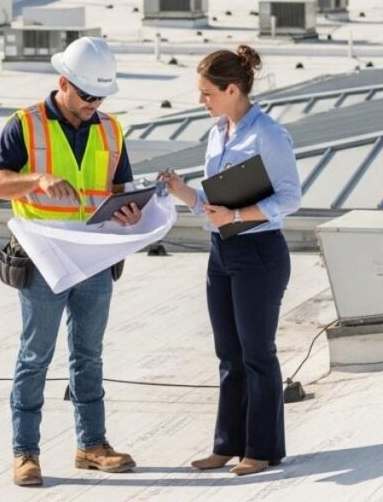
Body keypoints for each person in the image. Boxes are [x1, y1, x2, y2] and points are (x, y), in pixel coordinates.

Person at [0, 36, 142, 487]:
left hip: (94, 258)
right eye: (88, 95)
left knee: (89, 355)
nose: (94, 104)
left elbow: (119, 190)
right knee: (36, 355)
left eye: (101, 97)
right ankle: (25, 453)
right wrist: (36, 179)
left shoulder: (111, 129)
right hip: (44, 259)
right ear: (64, 83)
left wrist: (131, 211)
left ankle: (92, 445)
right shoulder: (25, 125)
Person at [158, 46, 301, 476]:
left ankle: (261, 450)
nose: (201, 101)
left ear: (233, 89)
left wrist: (237, 216)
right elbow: (216, 201)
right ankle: (226, 445)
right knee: (228, 354)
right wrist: (183, 192)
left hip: (259, 252)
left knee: (257, 354)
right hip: (222, 251)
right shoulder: (218, 133)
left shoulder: (268, 135)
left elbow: (290, 198)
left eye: (208, 93)